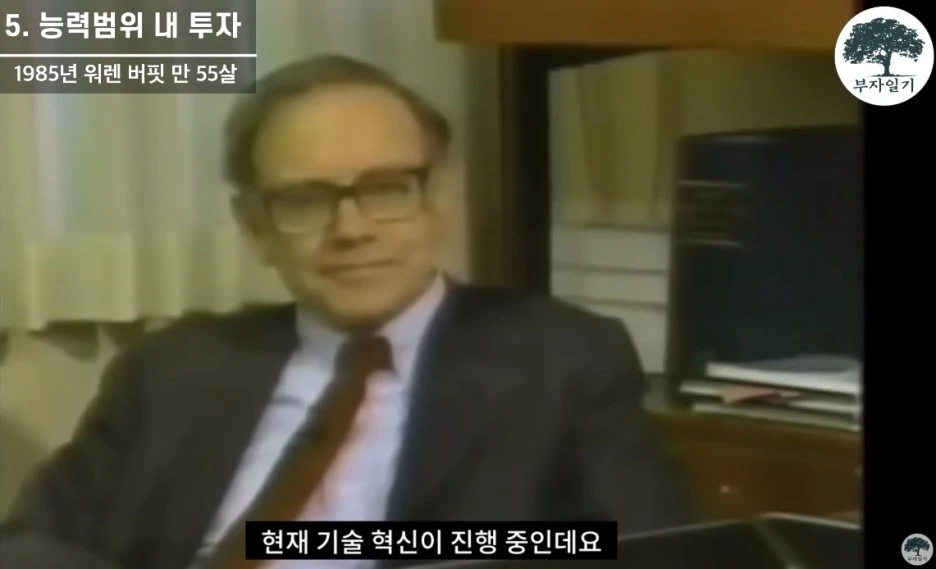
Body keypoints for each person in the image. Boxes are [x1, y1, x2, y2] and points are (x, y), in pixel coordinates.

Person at [0, 55, 695, 569]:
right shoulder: (172, 368)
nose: (352, 229)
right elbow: (28, 545)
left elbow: (643, 551)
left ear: (439, 201)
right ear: (255, 227)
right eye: (305, 201)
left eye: (387, 189)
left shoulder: (563, 360)